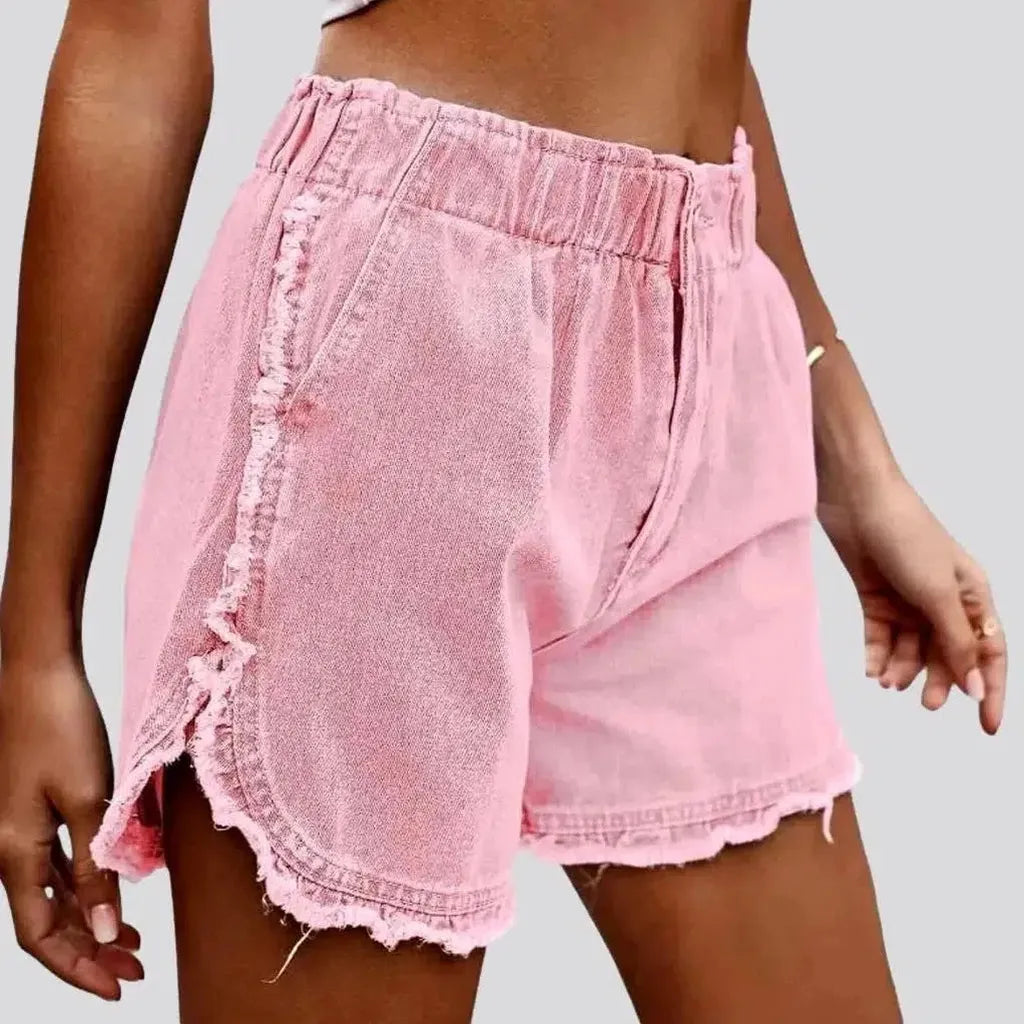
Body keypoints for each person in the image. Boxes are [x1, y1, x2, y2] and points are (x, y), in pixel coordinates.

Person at [0, 1, 1008, 1021]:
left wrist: (856, 463)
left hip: (709, 342)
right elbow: (132, 40)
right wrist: (36, 647)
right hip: (407, 342)